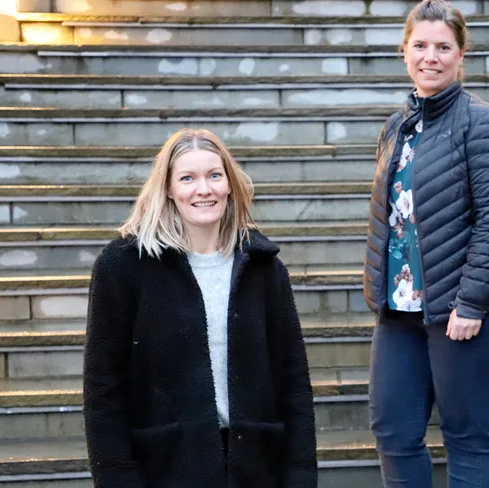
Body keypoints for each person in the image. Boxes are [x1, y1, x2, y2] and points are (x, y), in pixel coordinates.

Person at [83, 128, 317, 487]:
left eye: (214, 176)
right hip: (165, 469)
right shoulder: (123, 267)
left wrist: (300, 474)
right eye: (188, 178)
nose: (203, 189)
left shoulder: (264, 268)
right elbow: (103, 389)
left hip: (256, 469)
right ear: (169, 189)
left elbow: (294, 381)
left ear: (229, 185)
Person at [361, 1, 489, 486]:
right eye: (420, 45)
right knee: (393, 430)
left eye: (442, 47)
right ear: (404, 52)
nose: (429, 56)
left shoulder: (483, 124)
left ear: (461, 55)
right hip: (402, 310)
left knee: (466, 435)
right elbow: (395, 220)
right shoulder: (397, 127)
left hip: (468, 310)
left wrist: (471, 302)